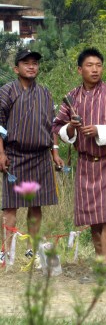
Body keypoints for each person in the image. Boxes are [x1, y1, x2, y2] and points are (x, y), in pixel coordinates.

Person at [52, 48, 106, 267]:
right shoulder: (71, 98)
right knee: (93, 219)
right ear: (80, 69)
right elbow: (57, 127)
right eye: (89, 65)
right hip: (85, 164)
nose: (95, 69)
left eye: (98, 65)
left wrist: (99, 131)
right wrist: (71, 126)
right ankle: (101, 261)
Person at [0, 49, 64, 264]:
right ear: (16, 68)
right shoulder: (7, 91)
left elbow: (53, 125)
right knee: (10, 206)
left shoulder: (45, 93)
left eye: (35, 63)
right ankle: (6, 252)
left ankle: (31, 250)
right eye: (26, 63)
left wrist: (55, 152)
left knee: (35, 205)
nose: (31, 66)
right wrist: (1, 153)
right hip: (14, 155)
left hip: (40, 156)